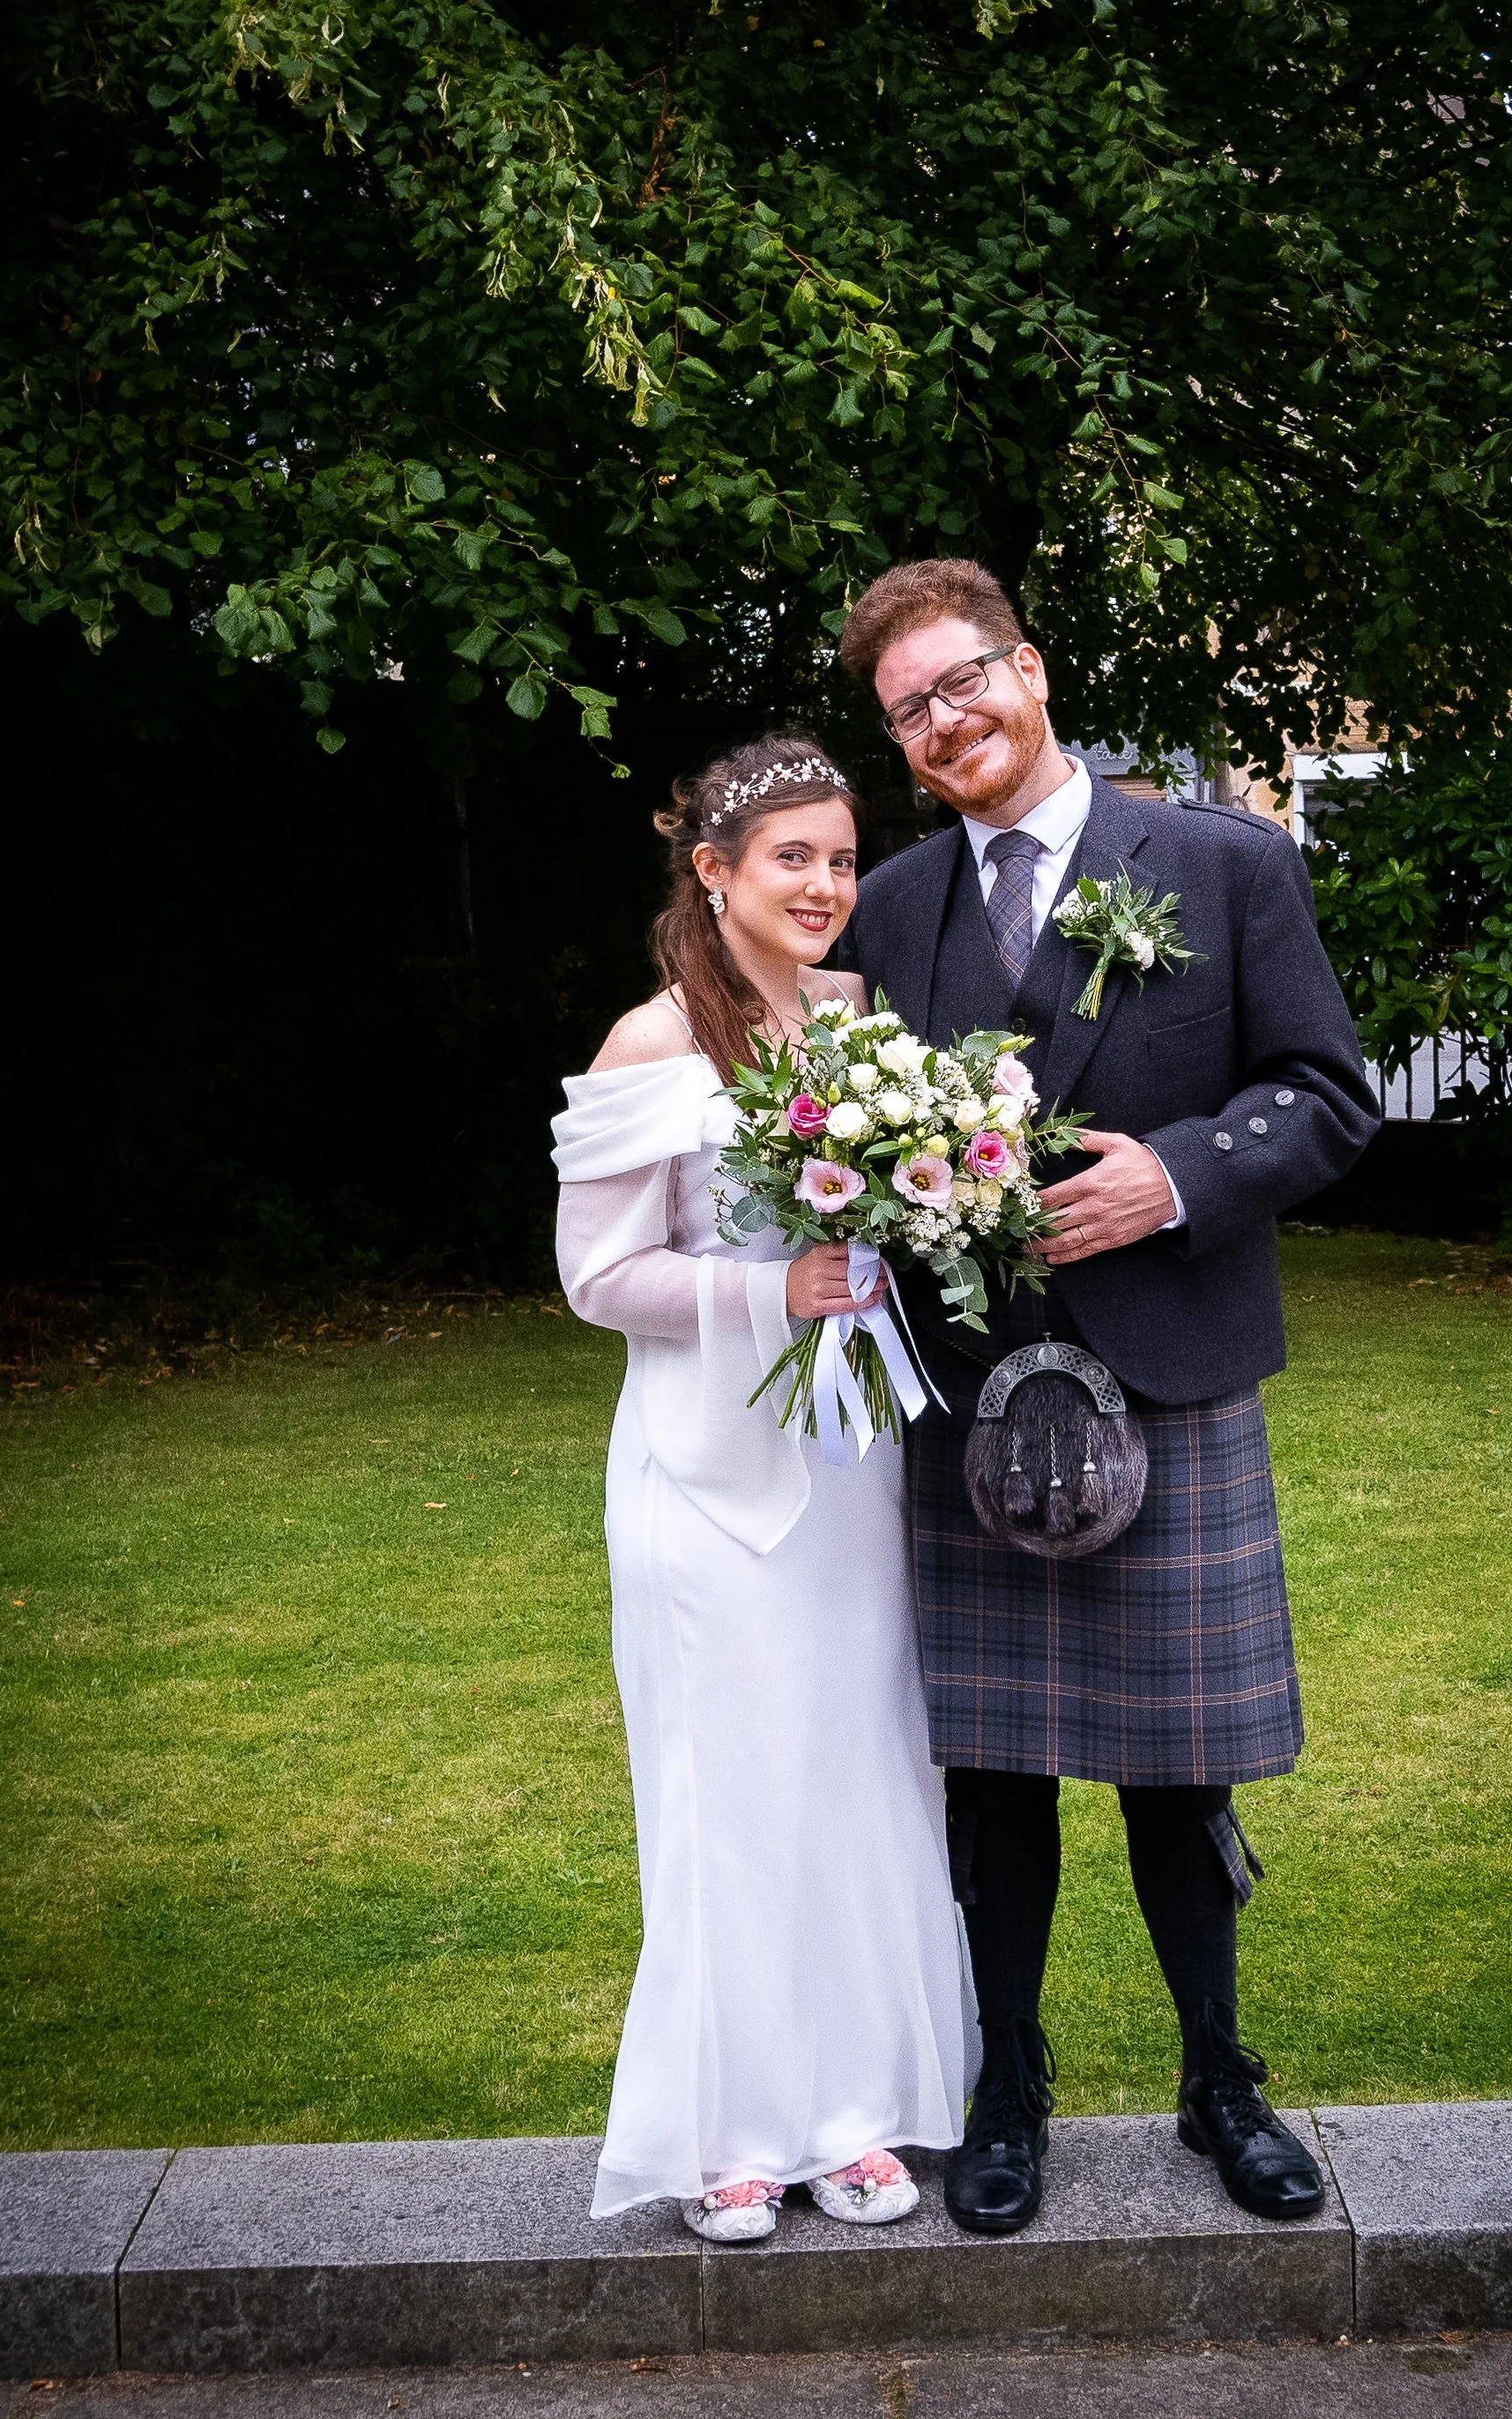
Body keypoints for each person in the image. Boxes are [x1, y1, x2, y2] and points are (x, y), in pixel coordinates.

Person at [835, 561, 1382, 2236]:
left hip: (1169, 1377)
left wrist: (1180, 1177)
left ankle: (1220, 2079)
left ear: (1033, 668)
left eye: (966, 679)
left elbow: (1328, 1097)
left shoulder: (1223, 863)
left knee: (1176, 1768)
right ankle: (1008, 2091)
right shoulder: (895, 906)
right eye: (911, 708)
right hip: (969, 1400)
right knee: (986, 1776)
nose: (948, 721)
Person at [552, 733, 970, 2244]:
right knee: (726, 1793)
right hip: (705, 1476)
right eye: (790, 857)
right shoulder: (651, 1043)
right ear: (712, 871)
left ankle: (853, 2112)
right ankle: (728, 2130)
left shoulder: (859, 1019)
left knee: (855, 1779)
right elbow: (594, 1275)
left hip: (849, 1465)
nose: (825, 886)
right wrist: (767, 1291)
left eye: (843, 859)